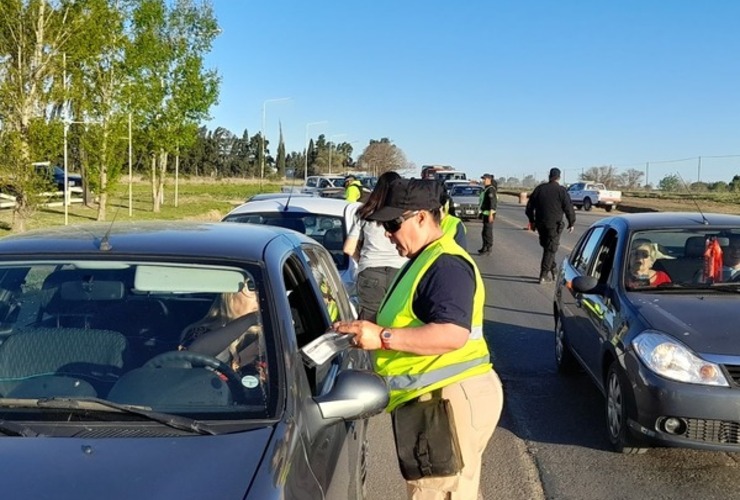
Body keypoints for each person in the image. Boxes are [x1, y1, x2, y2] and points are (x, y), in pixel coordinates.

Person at [334, 178, 503, 500]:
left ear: (422, 217)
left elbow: (452, 334)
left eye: (394, 223)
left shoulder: (445, 265)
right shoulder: (422, 260)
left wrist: (382, 338)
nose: (387, 233)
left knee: (435, 494)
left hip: (444, 399)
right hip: (438, 396)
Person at [343, 171, 408, 322]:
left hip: (370, 272)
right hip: (401, 272)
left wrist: (363, 260)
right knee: (398, 320)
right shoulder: (405, 214)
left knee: (369, 324)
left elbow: (348, 248)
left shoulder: (365, 213)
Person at [179, 279, 263, 373]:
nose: (259, 298)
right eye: (252, 287)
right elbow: (192, 356)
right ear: (230, 295)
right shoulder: (200, 331)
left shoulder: (269, 335)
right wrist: (253, 317)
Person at [525, 167, 576, 283]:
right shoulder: (561, 191)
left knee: (548, 247)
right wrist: (571, 222)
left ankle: (552, 268)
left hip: (540, 224)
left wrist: (532, 221)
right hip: (554, 225)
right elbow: (568, 208)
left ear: (549, 176)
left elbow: (529, 208)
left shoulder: (539, 189)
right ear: (559, 177)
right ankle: (543, 274)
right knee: (550, 249)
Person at [477, 173, 497, 255]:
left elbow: (493, 202)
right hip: (485, 213)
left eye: (484, 179)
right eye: (483, 179)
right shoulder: (486, 188)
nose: (483, 181)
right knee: (484, 231)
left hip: (489, 214)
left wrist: (491, 214)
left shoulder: (491, 189)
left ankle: (488, 247)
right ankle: (484, 246)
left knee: (488, 232)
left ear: (489, 180)